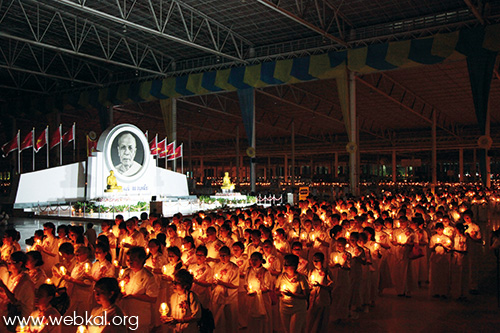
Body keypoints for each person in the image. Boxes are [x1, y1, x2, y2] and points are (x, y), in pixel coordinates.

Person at [120, 246, 159, 333]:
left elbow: (153, 298)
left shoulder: (148, 277)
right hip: (125, 312)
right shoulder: (126, 272)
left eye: (133, 260)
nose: (130, 262)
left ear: (141, 260)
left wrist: (133, 296)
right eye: (128, 260)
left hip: (140, 315)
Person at [275, 254, 310, 333]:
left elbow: (306, 295)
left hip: (298, 309)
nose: (285, 267)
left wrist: (292, 295)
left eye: (288, 264)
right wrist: (280, 293)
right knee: (286, 330)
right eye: (284, 264)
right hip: (284, 308)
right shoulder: (281, 277)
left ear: (294, 266)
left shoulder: (301, 278)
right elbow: (276, 290)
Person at [211, 246, 239, 333]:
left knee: (230, 318)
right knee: (216, 317)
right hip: (218, 294)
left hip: (230, 297)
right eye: (221, 255)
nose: (222, 258)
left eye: (224, 255)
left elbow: (235, 285)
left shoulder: (234, 268)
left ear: (229, 256)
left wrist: (222, 283)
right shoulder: (216, 266)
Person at [245, 251, 272, 333]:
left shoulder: (265, 272)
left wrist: (257, 292)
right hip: (251, 298)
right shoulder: (248, 270)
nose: (253, 262)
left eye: (256, 260)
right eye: (252, 260)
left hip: (263, 299)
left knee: (264, 318)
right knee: (251, 317)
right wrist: (249, 290)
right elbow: (246, 283)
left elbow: (267, 287)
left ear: (261, 261)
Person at [306, 252, 332, 333]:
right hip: (313, 298)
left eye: (318, 260)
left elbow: (331, 286)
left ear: (323, 261)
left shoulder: (326, 272)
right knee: (311, 318)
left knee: (322, 320)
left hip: (323, 299)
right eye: (314, 261)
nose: (315, 263)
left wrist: (320, 286)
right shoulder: (311, 271)